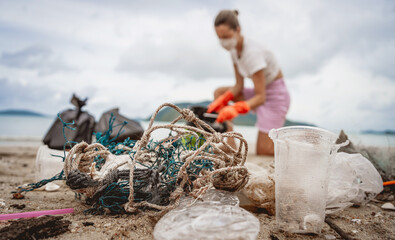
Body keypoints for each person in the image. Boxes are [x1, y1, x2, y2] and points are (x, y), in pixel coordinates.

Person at [207, 10, 290, 155]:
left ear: (237, 30)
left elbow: (261, 97)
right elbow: (239, 85)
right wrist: (223, 101)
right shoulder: (233, 51)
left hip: (276, 97)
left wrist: (235, 109)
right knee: (219, 92)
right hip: (260, 91)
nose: (223, 42)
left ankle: (297, 146)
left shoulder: (252, 53)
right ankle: (230, 143)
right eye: (219, 37)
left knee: (264, 151)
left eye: (226, 37)